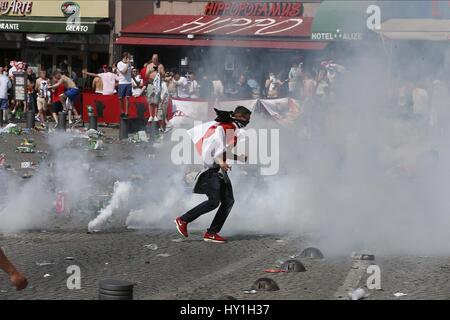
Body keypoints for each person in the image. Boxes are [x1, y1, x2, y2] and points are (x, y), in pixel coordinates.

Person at [175, 106, 251, 243]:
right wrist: (221, 162)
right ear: (241, 117)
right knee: (213, 202)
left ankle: (211, 233)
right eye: (248, 118)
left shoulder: (229, 127)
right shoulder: (226, 128)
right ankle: (183, 220)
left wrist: (237, 158)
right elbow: (217, 153)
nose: (248, 122)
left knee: (228, 201)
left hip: (217, 170)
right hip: (211, 171)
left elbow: (220, 151)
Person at [145, 54, 166, 122]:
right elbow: (146, 75)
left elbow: (164, 75)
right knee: (150, 100)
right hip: (151, 84)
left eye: (156, 59)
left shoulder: (160, 65)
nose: (155, 60)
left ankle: (156, 115)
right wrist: (150, 71)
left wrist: (160, 72)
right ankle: (151, 115)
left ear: (157, 59)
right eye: (153, 59)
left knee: (156, 101)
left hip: (157, 84)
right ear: (152, 59)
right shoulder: (149, 65)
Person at [116, 52, 133, 117]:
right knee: (120, 98)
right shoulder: (119, 64)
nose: (129, 59)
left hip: (128, 82)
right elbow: (124, 72)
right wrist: (127, 64)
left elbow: (130, 73)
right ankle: (122, 111)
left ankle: (126, 112)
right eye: (128, 57)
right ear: (125, 57)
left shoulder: (129, 64)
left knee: (127, 98)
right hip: (122, 83)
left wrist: (135, 81)